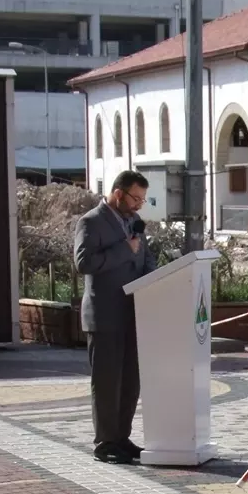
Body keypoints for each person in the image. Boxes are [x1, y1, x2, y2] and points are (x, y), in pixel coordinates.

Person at [74, 170, 155, 464]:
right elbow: (84, 263)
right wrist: (124, 249)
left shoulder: (133, 222)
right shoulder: (91, 221)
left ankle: (122, 436)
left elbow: (144, 257)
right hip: (105, 315)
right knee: (107, 382)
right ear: (118, 193)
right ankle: (105, 441)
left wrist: (154, 277)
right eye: (136, 198)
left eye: (143, 200)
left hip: (134, 313)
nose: (138, 205)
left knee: (130, 381)